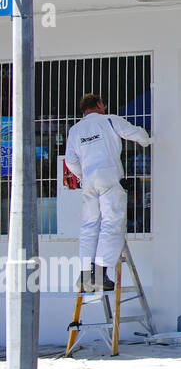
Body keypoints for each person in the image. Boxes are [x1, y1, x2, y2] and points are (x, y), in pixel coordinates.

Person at [63, 93, 152, 293]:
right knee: (111, 223)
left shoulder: (75, 130)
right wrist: (147, 139)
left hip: (89, 181)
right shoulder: (109, 120)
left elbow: (70, 162)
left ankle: (85, 275)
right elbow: (138, 135)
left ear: (84, 110)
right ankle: (101, 274)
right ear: (99, 105)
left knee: (89, 225)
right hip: (109, 178)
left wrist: (84, 176)